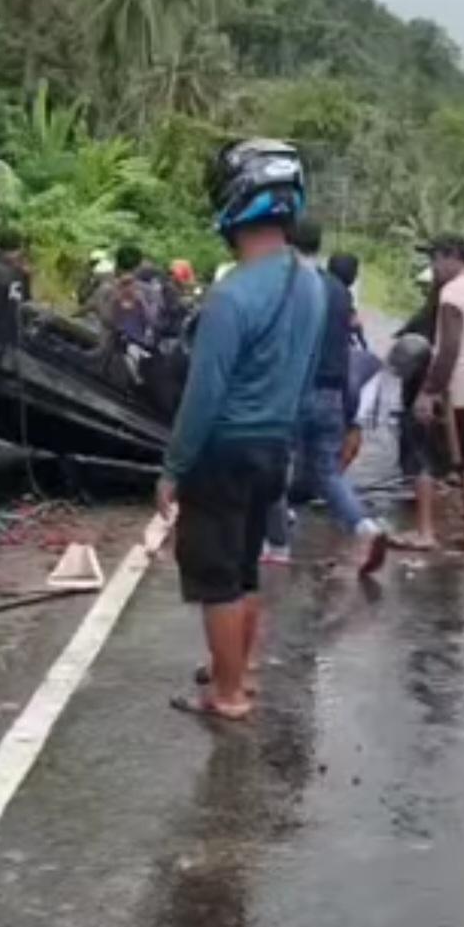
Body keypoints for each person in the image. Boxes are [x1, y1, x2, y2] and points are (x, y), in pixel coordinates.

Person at [158, 139, 325, 722]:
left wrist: (173, 468)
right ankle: (241, 673)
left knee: (215, 577)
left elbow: (203, 397)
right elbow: (304, 378)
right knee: (247, 566)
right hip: (274, 446)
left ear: (237, 203)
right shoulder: (312, 286)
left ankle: (226, 696)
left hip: (224, 450)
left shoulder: (231, 296)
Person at [281, 219, 389, 575]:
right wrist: (348, 407)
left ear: (288, 243)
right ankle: (366, 527)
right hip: (331, 393)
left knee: (275, 461)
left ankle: (276, 539)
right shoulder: (339, 291)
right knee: (327, 472)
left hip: (294, 389)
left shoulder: (289, 286)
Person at [399, 235, 464, 551]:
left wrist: (428, 392)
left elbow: (449, 350)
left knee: (425, 460)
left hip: (454, 390)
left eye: (436, 259)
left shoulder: (453, 293)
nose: (434, 267)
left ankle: (425, 533)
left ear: (452, 256)